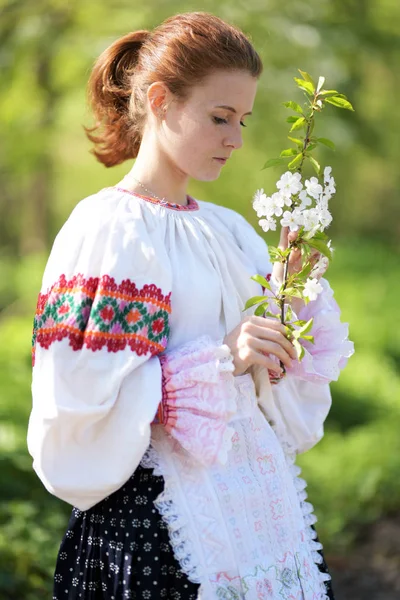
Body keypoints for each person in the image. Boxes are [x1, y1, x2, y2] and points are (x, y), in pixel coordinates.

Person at [28, 11, 354, 600]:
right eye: (219, 117)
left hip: (259, 517)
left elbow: (282, 399)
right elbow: (79, 399)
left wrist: (290, 304)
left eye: (243, 120)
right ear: (159, 100)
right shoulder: (109, 229)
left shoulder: (229, 231)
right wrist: (222, 358)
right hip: (157, 528)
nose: (236, 138)